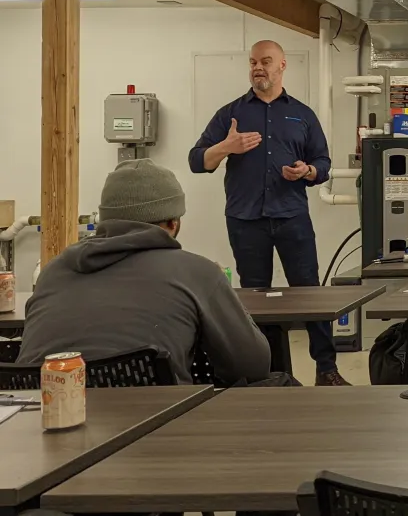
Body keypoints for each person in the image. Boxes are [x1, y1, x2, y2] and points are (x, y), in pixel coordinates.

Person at [18, 160, 271, 384]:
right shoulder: (198, 272)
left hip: (39, 422)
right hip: (156, 428)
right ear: (173, 223)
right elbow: (252, 367)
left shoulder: (52, 272)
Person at [188, 39, 346, 386]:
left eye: (266, 61)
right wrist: (225, 147)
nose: (258, 68)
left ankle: (326, 369)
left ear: (282, 66)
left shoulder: (302, 114)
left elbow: (324, 163)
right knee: (255, 297)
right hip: (246, 220)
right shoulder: (231, 114)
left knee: (308, 293)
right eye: (253, 62)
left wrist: (307, 172)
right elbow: (197, 161)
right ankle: (268, 372)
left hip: (292, 216)